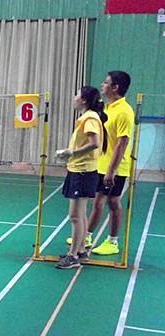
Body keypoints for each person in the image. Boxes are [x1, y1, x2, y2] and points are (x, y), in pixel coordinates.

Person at [72, 71, 135, 256]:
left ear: (115, 87)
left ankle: (112, 241)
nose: (102, 85)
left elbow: (122, 143)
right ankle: (87, 236)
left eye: (106, 82)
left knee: (112, 202)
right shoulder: (107, 108)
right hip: (100, 164)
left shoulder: (124, 111)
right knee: (98, 202)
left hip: (115, 167)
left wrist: (111, 171)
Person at [55, 86, 106, 269]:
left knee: (75, 216)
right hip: (81, 170)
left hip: (83, 172)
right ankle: (82, 250)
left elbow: (94, 143)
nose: (74, 97)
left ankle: (73, 256)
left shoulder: (90, 118)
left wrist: (72, 153)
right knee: (81, 215)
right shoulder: (88, 117)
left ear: (84, 100)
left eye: (77, 94)